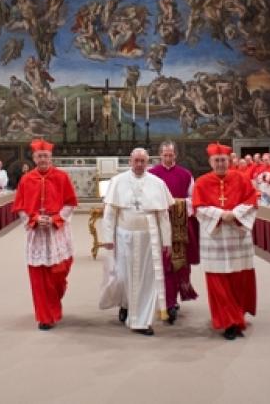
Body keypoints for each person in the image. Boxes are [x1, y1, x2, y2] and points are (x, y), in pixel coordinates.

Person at [99, 148, 174, 336]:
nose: (139, 164)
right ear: (130, 161)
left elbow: (163, 216)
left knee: (146, 280)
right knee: (124, 276)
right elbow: (110, 214)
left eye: (143, 161)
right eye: (136, 161)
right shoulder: (118, 181)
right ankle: (125, 304)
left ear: (148, 162)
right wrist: (108, 238)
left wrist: (167, 241)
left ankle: (142, 321)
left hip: (149, 238)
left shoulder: (157, 183)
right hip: (125, 237)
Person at [193, 143, 257, 340]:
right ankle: (227, 321)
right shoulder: (202, 182)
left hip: (237, 237)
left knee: (238, 277)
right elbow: (198, 208)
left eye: (223, 160)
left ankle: (237, 317)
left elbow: (252, 200)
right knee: (218, 281)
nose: (220, 164)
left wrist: (234, 214)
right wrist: (221, 214)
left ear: (229, 161)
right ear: (211, 162)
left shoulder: (242, 178)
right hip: (216, 238)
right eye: (217, 161)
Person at [13, 139, 77, 330]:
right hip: (37, 233)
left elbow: (70, 203)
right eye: (39, 156)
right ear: (33, 158)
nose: (43, 159)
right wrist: (33, 220)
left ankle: (54, 301)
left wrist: (56, 218)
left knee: (59, 272)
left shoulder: (62, 177)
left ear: (51, 157)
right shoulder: (26, 179)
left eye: (46, 156)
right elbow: (20, 207)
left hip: (57, 232)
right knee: (39, 277)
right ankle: (45, 316)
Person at [148, 141, 198, 321]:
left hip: (179, 227)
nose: (168, 158)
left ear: (175, 155)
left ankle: (173, 300)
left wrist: (177, 204)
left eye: (171, 155)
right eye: (165, 155)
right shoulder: (151, 175)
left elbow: (194, 200)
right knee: (162, 263)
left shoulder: (185, 175)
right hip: (158, 227)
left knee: (178, 264)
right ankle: (166, 301)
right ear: (160, 155)